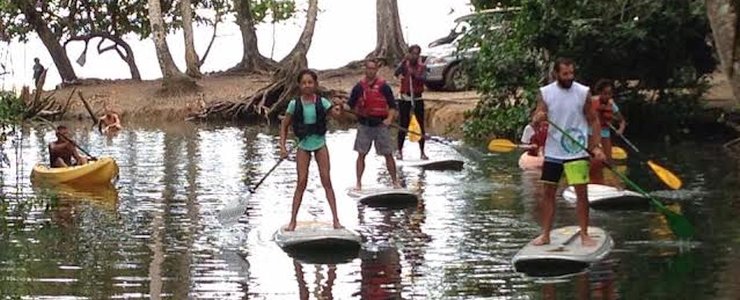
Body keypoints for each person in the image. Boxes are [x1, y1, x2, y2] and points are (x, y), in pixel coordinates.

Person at [532, 57, 606, 247]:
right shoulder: (545, 93)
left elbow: (594, 121)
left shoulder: (583, 92)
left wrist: (596, 146)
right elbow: (536, 120)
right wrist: (538, 118)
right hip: (553, 152)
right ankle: (545, 234)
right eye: (565, 74)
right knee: (547, 193)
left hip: (577, 151)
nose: (569, 77)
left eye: (571, 73)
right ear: (556, 74)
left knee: (582, 194)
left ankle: (584, 234)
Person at [279, 69, 343, 231]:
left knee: (326, 180)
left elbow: (336, 116)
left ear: (315, 85)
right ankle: (292, 221)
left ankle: (336, 220)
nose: (307, 85)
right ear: (299, 85)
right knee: (301, 182)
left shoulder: (322, 102)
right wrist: (282, 146)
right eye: (304, 83)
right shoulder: (294, 104)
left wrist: (339, 109)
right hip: (303, 146)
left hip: (320, 143)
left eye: (310, 82)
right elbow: (284, 125)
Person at [346, 59, 401, 190]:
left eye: (373, 69)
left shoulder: (384, 86)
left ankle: (395, 182)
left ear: (376, 70)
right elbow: (350, 105)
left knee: (388, 154)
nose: (371, 71)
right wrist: (342, 107)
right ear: (365, 69)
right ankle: (358, 183)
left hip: (381, 125)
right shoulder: (359, 87)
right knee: (361, 154)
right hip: (364, 124)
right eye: (368, 68)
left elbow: (392, 106)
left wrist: (389, 119)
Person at [394, 44, 428, 160]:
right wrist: (404, 62)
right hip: (405, 99)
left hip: (417, 99)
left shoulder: (422, 67)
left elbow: (423, 78)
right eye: (412, 53)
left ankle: (422, 152)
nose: (414, 56)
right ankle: (399, 151)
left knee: (420, 125)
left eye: (417, 54)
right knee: (403, 124)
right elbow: (396, 73)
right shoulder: (404, 64)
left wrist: (414, 75)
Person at [589, 79, 627, 184]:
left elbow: (622, 121)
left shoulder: (611, 104)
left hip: (605, 132)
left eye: (610, 94)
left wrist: (620, 129)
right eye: (605, 93)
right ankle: (592, 181)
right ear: (599, 92)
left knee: (608, 161)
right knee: (593, 159)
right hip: (591, 132)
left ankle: (615, 183)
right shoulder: (591, 101)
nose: (608, 96)